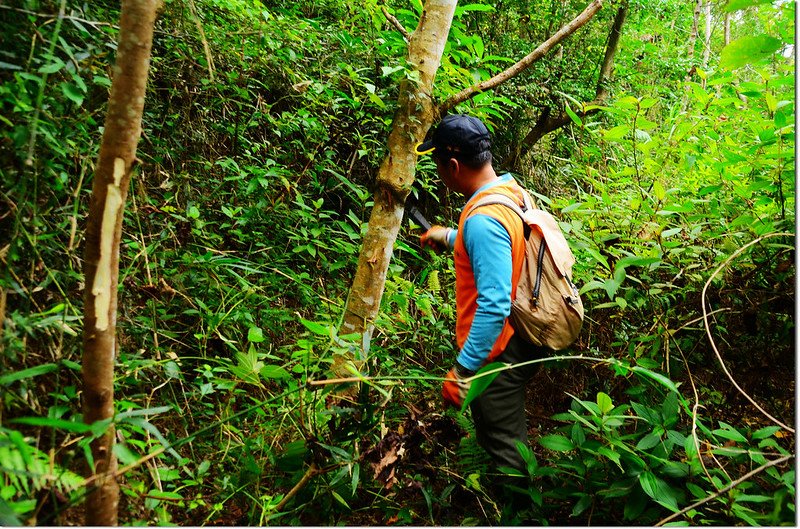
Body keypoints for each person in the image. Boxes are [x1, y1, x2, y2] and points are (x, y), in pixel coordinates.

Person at [414, 114, 548, 480]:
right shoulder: (509, 192)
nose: (440, 173)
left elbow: (493, 304)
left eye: (438, 163)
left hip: (500, 349)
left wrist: (463, 370)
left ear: (453, 165)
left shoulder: (483, 219)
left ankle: (522, 512)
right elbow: (500, 246)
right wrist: (446, 237)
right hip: (525, 333)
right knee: (498, 437)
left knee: (505, 448)